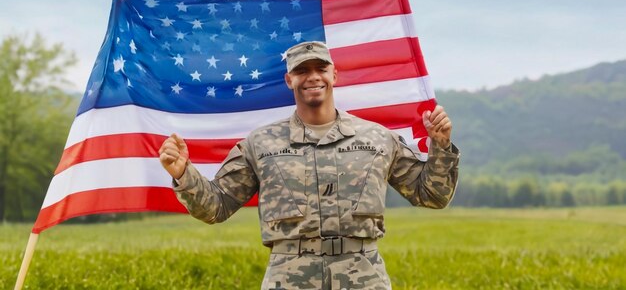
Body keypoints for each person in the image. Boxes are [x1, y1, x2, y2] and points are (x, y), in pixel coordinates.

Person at [159, 41, 460, 290]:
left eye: (321, 69)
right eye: (302, 71)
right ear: (289, 80)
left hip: (363, 277)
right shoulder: (261, 144)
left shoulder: (378, 139)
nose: (313, 77)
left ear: (334, 75)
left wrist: (441, 146)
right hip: (289, 278)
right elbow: (216, 206)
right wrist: (184, 174)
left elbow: (432, 196)